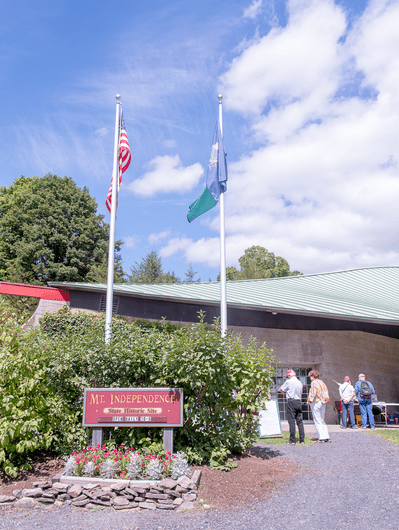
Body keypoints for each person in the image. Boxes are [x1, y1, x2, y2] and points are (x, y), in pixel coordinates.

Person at [278, 369, 305, 445]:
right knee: (299, 421)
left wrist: (284, 391)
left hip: (291, 401)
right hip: (299, 401)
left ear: (289, 375)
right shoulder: (300, 382)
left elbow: (281, 389)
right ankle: (302, 439)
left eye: (288, 376)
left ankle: (292, 440)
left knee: (291, 421)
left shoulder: (289, 382)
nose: (287, 377)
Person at [307, 370, 331, 443]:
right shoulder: (322, 382)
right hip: (323, 401)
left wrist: (310, 400)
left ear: (313, 376)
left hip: (316, 402)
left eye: (310, 377)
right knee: (322, 419)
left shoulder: (314, 383)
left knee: (317, 420)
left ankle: (321, 437)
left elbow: (314, 392)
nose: (310, 378)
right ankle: (326, 436)